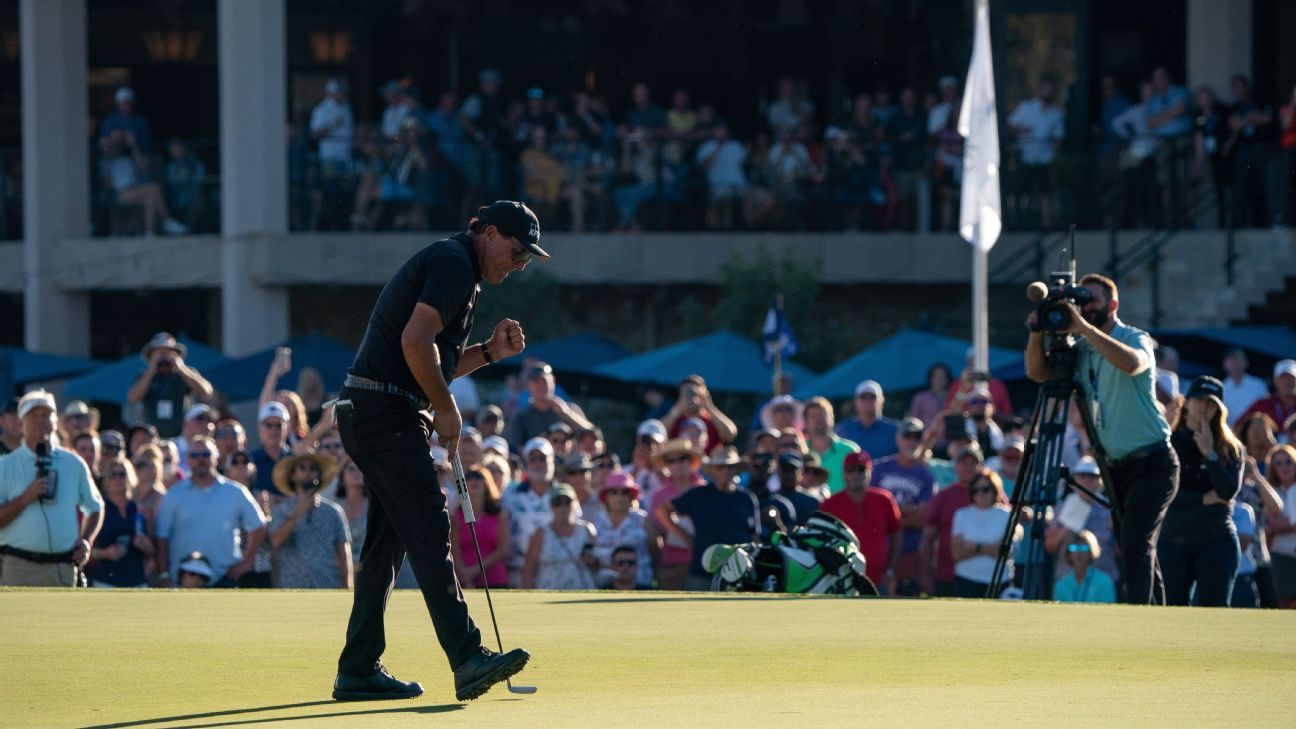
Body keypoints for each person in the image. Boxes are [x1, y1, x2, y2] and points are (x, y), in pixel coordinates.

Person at [332, 200, 543, 702]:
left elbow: (430, 361)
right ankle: (468, 657)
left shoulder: (458, 269)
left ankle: (359, 668)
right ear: (489, 233)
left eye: (526, 261)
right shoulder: (453, 264)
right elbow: (414, 342)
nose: (516, 266)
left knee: (387, 546)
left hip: (375, 410)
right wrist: (446, 410)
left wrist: (490, 353)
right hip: (385, 414)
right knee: (428, 526)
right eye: (516, 253)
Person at [1025, 273, 1177, 605]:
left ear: (1114, 304)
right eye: (1082, 300)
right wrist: (1037, 334)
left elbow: (1133, 364)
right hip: (1116, 466)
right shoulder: (1083, 348)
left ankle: (1138, 621)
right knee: (1137, 543)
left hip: (1153, 461)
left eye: (1093, 299)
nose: (1086, 307)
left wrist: (1083, 329)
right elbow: (1038, 372)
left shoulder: (1133, 337)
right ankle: (1160, 617)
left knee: (1136, 542)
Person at [0, 391, 104, 586]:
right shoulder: (5, 466)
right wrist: (25, 498)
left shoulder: (74, 463)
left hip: (63, 567)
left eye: (46, 415)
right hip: (18, 567)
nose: (40, 421)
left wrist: (86, 540)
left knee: (63, 618)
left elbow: (95, 507)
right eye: (33, 416)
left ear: (56, 422)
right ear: (21, 423)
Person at [1159, 376, 1244, 607]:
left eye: (1211, 403)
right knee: (1172, 612)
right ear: (1186, 403)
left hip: (1215, 538)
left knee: (1215, 611)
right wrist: (1202, 498)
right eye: (1200, 400)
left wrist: (1210, 454)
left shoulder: (1229, 446)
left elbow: (1227, 491)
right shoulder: (1167, 442)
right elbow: (1164, 493)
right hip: (1172, 538)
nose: (1205, 407)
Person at [154, 436, 266, 589]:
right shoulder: (174, 494)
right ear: (187, 459)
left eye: (206, 454)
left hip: (224, 580)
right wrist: (164, 574)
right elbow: (161, 538)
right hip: (183, 581)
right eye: (195, 455)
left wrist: (246, 563)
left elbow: (258, 526)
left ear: (216, 457)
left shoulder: (235, 491)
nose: (200, 459)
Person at [656, 446, 761, 591]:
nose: (725, 471)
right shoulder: (698, 495)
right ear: (711, 470)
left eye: (730, 467)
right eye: (720, 467)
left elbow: (755, 536)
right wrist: (686, 538)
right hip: (703, 572)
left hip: (740, 572)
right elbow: (663, 511)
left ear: (736, 469)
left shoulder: (747, 498)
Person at [870, 417, 937, 593]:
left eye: (917, 437)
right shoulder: (879, 468)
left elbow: (923, 516)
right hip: (879, 549)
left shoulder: (926, 476)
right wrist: (906, 511)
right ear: (898, 439)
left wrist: (890, 514)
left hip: (910, 552)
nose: (912, 441)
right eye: (908, 436)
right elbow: (872, 509)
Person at [819, 451, 901, 593]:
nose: (856, 474)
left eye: (861, 469)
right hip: (842, 580)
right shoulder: (829, 505)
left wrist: (891, 570)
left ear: (869, 472)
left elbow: (897, 536)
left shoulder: (884, 499)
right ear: (844, 473)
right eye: (851, 470)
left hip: (879, 580)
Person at [269, 453, 352, 590]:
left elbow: (344, 553)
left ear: (318, 476)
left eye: (313, 469)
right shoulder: (280, 511)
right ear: (292, 475)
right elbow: (275, 542)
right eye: (302, 468)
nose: (308, 472)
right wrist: (297, 513)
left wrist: (347, 586)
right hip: (292, 588)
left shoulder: (334, 512)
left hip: (327, 585)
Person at [920, 443, 982, 596]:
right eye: (964, 463)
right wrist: (926, 573)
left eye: (973, 463)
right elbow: (928, 537)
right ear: (955, 466)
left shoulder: (990, 492)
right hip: (947, 573)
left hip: (982, 574)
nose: (968, 467)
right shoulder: (944, 496)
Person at [126, 333, 214, 439]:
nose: (163, 357)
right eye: (159, 352)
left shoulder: (185, 374)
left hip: (182, 436)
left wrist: (181, 367)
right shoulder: (144, 376)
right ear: (151, 355)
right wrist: (151, 369)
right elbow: (132, 399)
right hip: (153, 436)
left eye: (167, 352)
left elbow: (206, 392)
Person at [950, 469, 1019, 598]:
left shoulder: (1006, 516)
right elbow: (957, 553)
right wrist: (989, 548)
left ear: (994, 490)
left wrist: (974, 547)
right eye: (976, 490)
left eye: (985, 489)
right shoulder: (961, 514)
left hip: (999, 582)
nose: (980, 494)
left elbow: (1006, 552)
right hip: (966, 580)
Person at [646, 438, 704, 590]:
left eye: (682, 458)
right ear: (666, 465)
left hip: (702, 562)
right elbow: (655, 529)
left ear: (691, 461)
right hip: (671, 563)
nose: (677, 464)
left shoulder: (705, 490)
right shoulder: (659, 495)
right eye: (671, 460)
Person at [87, 455, 153, 588]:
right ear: (105, 480)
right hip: (106, 582)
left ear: (130, 477)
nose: (117, 479)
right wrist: (104, 554)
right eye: (112, 474)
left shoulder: (140, 510)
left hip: (136, 581)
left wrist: (146, 546)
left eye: (122, 474)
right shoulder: (97, 510)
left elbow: (153, 552)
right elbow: (86, 549)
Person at [522, 483, 597, 590]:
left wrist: (592, 561)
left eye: (567, 502)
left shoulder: (587, 529)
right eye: (557, 503)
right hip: (548, 592)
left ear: (575, 504)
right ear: (551, 506)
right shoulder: (541, 533)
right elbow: (529, 568)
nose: (563, 507)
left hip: (582, 591)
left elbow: (599, 564)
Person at [590, 470, 653, 589]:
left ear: (631, 496)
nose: (619, 497)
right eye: (614, 492)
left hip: (640, 582)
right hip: (603, 584)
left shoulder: (643, 519)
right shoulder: (596, 520)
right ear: (606, 496)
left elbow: (655, 551)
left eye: (624, 492)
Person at [450, 465, 509, 589]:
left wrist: (475, 570)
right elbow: (453, 550)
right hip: (465, 581)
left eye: (479, 477)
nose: (474, 481)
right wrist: (465, 576)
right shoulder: (456, 516)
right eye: (469, 477)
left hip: (495, 579)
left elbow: (503, 550)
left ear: (487, 483)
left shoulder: (499, 515)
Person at [803, 396, 860, 495]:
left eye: (823, 415)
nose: (818, 420)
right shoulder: (800, 450)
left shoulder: (850, 450)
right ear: (805, 423)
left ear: (832, 418)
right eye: (813, 416)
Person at [1264, 444, 1296, 607]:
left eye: (1288, 461)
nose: (1284, 466)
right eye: (1278, 463)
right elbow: (1269, 525)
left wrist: (1283, 525)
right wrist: (1291, 524)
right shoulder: (1270, 493)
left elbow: (1277, 525)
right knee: (1283, 602)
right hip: (1281, 555)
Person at [835, 380, 899, 460]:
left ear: (882, 400)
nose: (868, 400)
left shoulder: (896, 430)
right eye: (863, 396)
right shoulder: (842, 430)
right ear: (855, 401)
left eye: (873, 397)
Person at [1053, 530, 1117, 603]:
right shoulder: (1061, 585)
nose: (1079, 553)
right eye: (1074, 548)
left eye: (1084, 547)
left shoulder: (1104, 581)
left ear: (1091, 552)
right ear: (1068, 553)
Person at [1238, 360, 1296, 433]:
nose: (1287, 381)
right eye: (1283, 377)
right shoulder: (1263, 404)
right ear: (1275, 381)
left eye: (1292, 377)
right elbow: (1238, 427)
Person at [908, 364, 953, 433]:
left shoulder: (954, 398)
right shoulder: (920, 398)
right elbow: (913, 422)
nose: (940, 379)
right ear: (930, 378)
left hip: (950, 441)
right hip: (926, 441)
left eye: (943, 376)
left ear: (947, 379)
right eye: (936, 376)